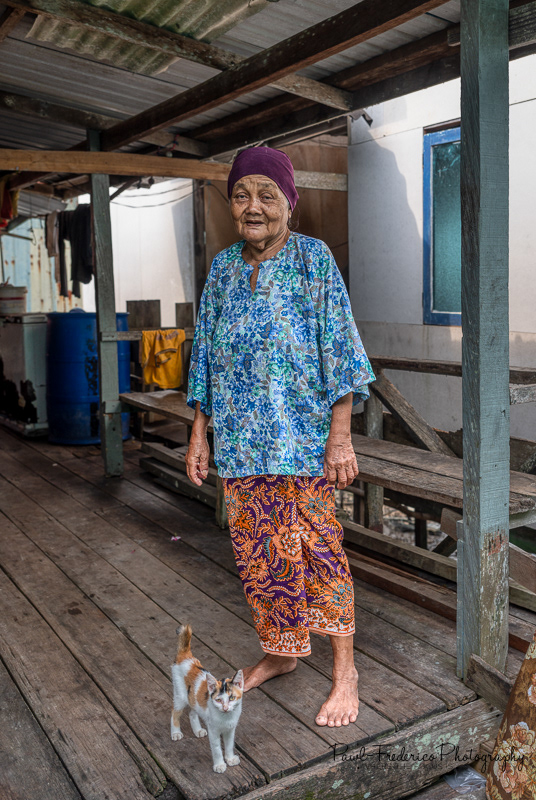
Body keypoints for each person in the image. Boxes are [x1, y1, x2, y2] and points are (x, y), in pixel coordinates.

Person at [185, 146, 375, 728]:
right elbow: (208, 357)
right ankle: (283, 653)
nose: (254, 206)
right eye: (242, 195)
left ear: (289, 201)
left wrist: (340, 437)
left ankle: (346, 674)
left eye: (268, 195)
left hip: (303, 445)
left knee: (320, 552)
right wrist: (200, 433)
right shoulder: (222, 269)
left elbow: (340, 352)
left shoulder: (314, 260)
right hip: (243, 449)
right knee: (261, 558)